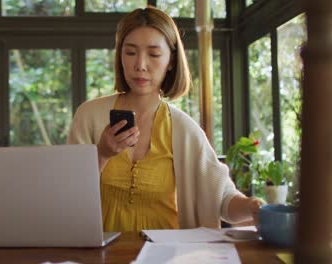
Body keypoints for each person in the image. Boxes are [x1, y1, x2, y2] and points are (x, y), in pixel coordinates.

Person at [67, 6, 263, 232]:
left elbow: (223, 199)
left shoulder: (183, 129)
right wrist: (101, 154)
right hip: (102, 254)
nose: (140, 64)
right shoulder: (89, 116)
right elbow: (65, 195)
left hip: (167, 253)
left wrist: (252, 207)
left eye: (153, 54)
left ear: (171, 61)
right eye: (130, 52)